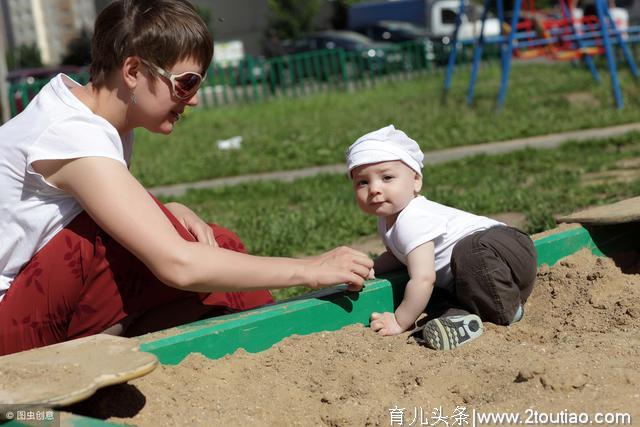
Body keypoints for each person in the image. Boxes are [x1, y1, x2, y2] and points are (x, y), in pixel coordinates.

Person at [0, 0, 373, 356]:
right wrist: (309, 269)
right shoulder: (73, 133)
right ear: (133, 72)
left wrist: (165, 209)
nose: (193, 99)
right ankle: (275, 338)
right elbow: (177, 264)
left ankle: (250, 334)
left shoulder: (88, 112)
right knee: (118, 242)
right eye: (186, 82)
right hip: (10, 335)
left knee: (211, 243)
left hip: (31, 301)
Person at [346, 125, 537, 350]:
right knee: (434, 297)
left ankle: (507, 310)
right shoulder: (387, 219)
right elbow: (398, 255)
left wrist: (399, 321)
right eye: (363, 182)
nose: (374, 189)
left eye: (387, 177)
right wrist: (374, 269)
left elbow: (423, 278)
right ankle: (462, 320)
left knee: (459, 259)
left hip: (503, 249)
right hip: (476, 277)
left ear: (415, 181)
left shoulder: (412, 218)